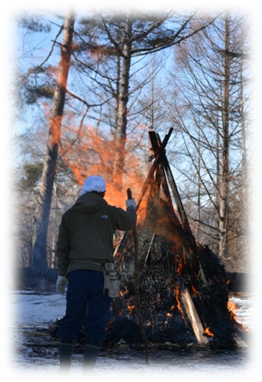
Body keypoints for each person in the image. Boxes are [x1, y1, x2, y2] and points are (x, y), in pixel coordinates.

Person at [56, 175, 137, 380]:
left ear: (84, 192)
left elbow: (62, 248)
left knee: (72, 318)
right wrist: (131, 207)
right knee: (97, 322)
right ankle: (87, 370)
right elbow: (129, 223)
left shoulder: (70, 215)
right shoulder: (109, 212)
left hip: (77, 273)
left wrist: (62, 273)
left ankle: (64, 369)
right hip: (103, 274)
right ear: (102, 193)